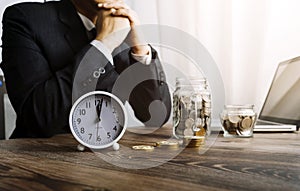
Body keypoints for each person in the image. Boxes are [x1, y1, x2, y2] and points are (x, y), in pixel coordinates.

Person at [1, 0, 171, 138]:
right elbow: (38, 119)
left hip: (111, 158)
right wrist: (103, 44)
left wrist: (140, 49)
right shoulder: (25, 18)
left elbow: (155, 117)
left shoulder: (123, 23)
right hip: (38, 162)